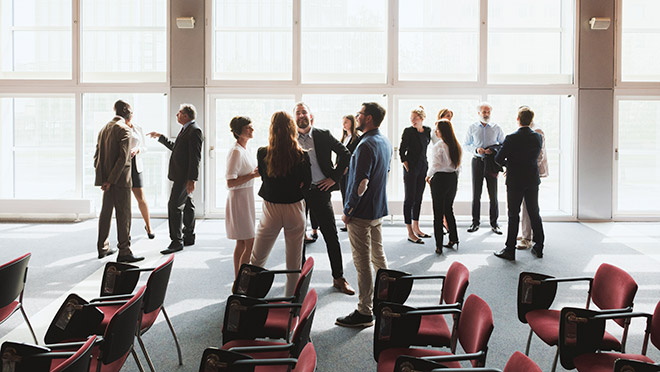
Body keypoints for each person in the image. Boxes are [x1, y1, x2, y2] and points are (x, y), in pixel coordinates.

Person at [336, 102, 391, 328]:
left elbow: (361, 182)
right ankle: (386, 299)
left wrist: (348, 210)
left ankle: (365, 310)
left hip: (361, 213)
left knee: (362, 262)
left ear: (368, 118)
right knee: (378, 256)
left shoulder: (365, 144)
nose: (356, 116)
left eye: (359, 114)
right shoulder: (384, 141)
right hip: (377, 209)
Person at [294, 102, 355, 295]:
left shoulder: (323, 134)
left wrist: (334, 178)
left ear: (311, 117)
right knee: (297, 237)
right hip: (299, 195)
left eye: (304, 112)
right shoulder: (289, 138)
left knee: (331, 235)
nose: (301, 115)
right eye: (297, 113)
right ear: (294, 118)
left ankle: (339, 278)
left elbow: (346, 154)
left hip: (321, 190)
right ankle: (298, 279)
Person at [250, 111, 311, 297]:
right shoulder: (302, 155)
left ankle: (250, 296)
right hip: (295, 207)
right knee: (293, 262)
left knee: (257, 258)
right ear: (292, 129)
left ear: (272, 129)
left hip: (271, 208)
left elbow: (265, 177)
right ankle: (290, 300)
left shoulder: (262, 153)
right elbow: (307, 183)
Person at [148, 104, 204, 254]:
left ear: (185, 116)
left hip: (184, 177)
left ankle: (176, 241)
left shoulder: (194, 131)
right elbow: (176, 148)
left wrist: (192, 179)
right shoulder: (186, 129)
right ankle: (189, 236)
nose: (177, 115)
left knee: (174, 206)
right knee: (187, 204)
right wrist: (161, 137)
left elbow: (195, 157)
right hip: (181, 175)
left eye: (179, 113)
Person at [94, 100, 144, 263]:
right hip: (120, 180)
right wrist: (111, 180)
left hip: (107, 181)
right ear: (128, 112)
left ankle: (103, 247)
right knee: (123, 215)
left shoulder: (104, 128)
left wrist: (103, 180)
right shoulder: (124, 129)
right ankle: (124, 251)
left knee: (106, 213)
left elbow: (97, 157)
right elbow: (123, 158)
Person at [494, 106, 545, 261]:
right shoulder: (538, 137)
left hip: (515, 180)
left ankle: (510, 249)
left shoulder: (511, 138)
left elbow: (498, 159)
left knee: (513, 214)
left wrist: (508, 165)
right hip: (531, 179)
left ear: (518, 119)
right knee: (534, 212)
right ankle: (539, 246)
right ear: (531, 120)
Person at [226, 116, 260, 277]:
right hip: (239, 199)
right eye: (248, 128)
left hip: (246, 197)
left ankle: (237, 280)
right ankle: (242, 280)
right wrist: (253, 176)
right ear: (239, 132)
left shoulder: (245, 149)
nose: (252, 130)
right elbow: (230, 182)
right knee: (249, 241)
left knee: (242, 242)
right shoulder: (235, 151)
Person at [464, 102, 505, 234]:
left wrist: (493, 150)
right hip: (477, 162)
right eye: (484, 112)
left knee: (493, 194)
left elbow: (503, 145)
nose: (486, 114)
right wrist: (476, 149)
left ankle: (494, 223)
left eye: (488, 112)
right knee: (476, 193)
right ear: (478, 113)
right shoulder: (472, 127)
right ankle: (475, 223)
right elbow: (466, 145)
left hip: (492, 163)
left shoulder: (496, 127)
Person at [426, 119, 461, 255]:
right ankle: (454, 238)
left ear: (442, 131)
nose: (436, 131)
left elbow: (435, 165)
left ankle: (438, 245)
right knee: (449, 210)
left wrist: (428, 176)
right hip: (452, 178)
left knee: (438, 213)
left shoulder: (439, 146)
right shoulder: (456, 145)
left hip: (440, 179)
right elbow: (457, 166)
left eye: (438, 129)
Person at [399, 106, 431, 244]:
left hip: (423, 167)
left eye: (415, 118)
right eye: (411, 118)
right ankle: (409, 231)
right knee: (409, 199)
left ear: (422, 119)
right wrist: (407, 165)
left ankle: (417, 227)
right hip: (411, 168)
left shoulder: (428, 131)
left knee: (418, 198)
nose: (413, 121)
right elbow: (401, 150)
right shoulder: (408, 131)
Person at [517, 120, 548, 250]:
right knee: (528, 206)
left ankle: (527, 238)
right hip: (529, 174)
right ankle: (527, 233)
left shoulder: (536, 131)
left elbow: (538, 155)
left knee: (529, 207)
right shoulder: (531, 130)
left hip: (530, 174)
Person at [125, 107, 155, 239]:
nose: (130, 116)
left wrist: (137, 150)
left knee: (141, 199)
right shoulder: (119, 128)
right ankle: (126, 231)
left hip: (135, 166)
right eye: (128, 113)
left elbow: (144, 147)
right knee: (125, 201)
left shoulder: (137, 128)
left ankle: (148, 227)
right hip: (123, 167)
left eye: (131, 113)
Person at [339, 114, 361, 232]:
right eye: (343, 122)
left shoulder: (356, 138)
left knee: (349, 195)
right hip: (342, 171)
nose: (343, 125)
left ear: (352, 123)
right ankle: (346, 220)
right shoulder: (344, 138)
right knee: (344, 194)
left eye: (346, 122)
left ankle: (350, 221)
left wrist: (347, 166)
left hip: (350, 171)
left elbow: (355, 156)